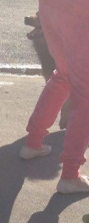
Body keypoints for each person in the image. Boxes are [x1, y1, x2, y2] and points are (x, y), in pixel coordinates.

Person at [19, 0, 89, 194]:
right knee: (84, 92)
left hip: (51, 8)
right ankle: (70, 175)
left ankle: (33, 142)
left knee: (63, 76)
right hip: (80, 12)